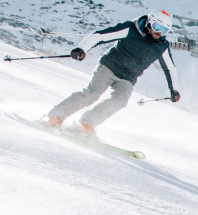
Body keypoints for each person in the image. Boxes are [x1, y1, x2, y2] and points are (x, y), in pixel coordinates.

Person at [42, 10, 181, 135]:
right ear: (149, 23)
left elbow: (170, 69)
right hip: (109, 67)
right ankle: (54, 116)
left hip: (128, 78)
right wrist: (81, 49)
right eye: (158, 27)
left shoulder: (162, 46)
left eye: (164, 30)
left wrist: (174, 90)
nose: (159, 33)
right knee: (91, 94)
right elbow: (100, 36)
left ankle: (85, 124)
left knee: (120, 100)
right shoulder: (131, 29)